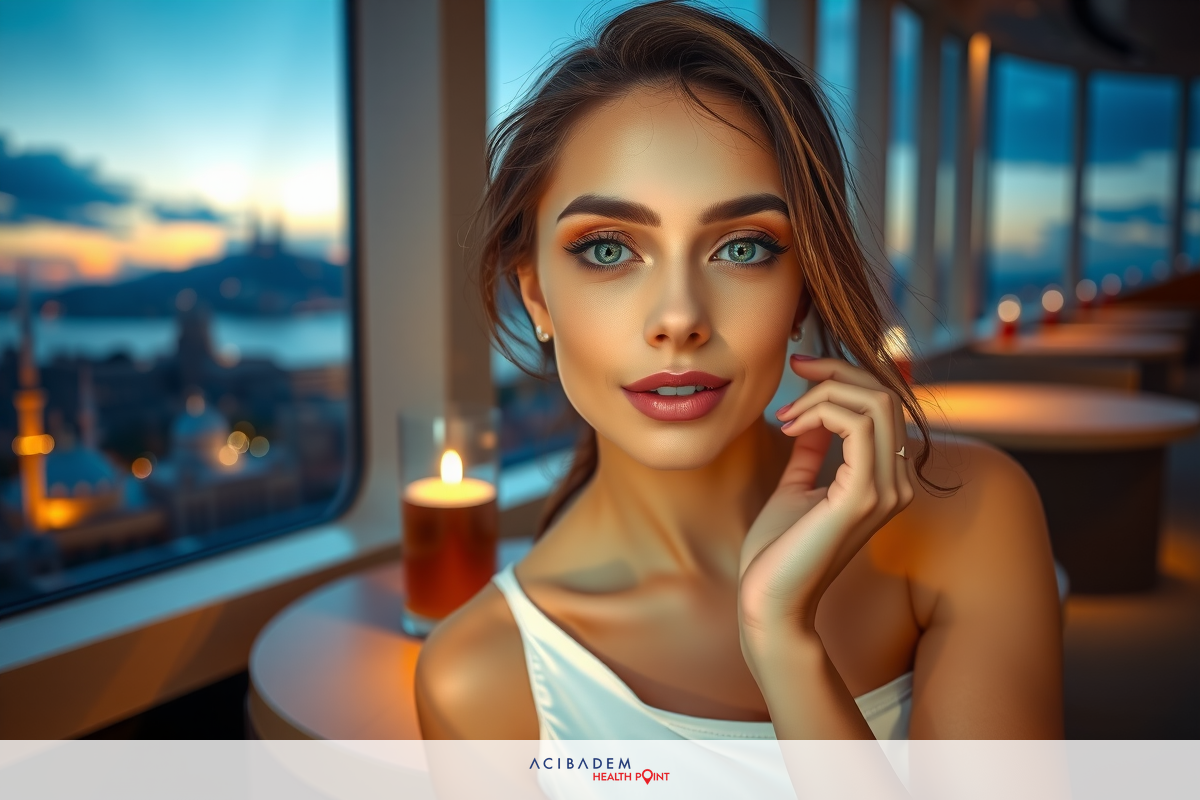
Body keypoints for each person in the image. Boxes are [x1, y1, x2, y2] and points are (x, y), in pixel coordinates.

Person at [415, 0, 1062, 749]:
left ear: (803, 290)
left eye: (744, 248)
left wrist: (783, 643)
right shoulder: (478, 678)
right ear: (535, 296)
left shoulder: (970, 511)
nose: (679, 318)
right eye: (608, 249)